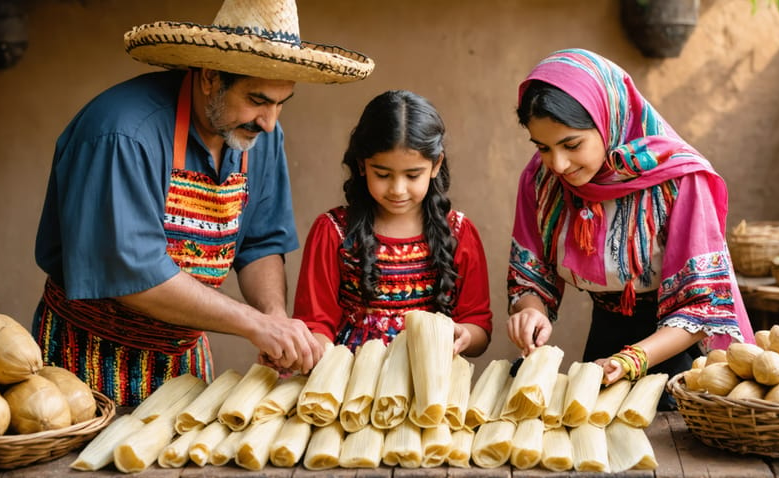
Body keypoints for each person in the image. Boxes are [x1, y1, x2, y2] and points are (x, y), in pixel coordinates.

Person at [31, 0, 374, 406]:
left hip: (186, 369)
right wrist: (252, 323)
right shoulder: (122, 135)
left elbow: (260, 244)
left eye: (282, 103)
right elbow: (133, 272)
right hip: (85, 365)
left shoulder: (259, 138)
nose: (270, 122)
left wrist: (274, 317)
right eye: (258, 99)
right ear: (211, 77)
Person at [505, 49, 754, 400]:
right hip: (604, 358)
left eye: (571, 144)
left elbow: (703, 307)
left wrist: (635, 358)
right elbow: (531, 274)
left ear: (609, 118)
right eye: (543, 147)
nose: (558, 164)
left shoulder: (678, 180)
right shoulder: (540, 180)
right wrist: (530, 311)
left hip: (685, 366)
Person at [293, 90, 492, 357]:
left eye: (412, 175)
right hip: (350, 383)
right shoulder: (333, 231)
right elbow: (315, 323)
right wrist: (314, 352)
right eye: (383, 174)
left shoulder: (458, 233)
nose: (398, 189)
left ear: (435, 165)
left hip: (425, 384)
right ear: (363, 166)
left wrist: (463, 335)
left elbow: (478, 325)